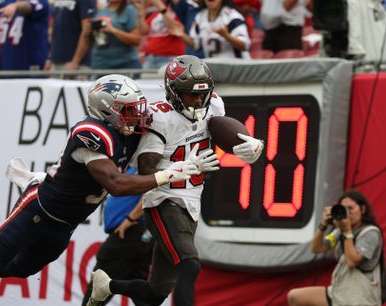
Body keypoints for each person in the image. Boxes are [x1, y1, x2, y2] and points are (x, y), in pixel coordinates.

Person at [0, 74, 212, 306]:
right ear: (107, 111)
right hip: (37, 210)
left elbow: (161, 143)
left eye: (137, 107)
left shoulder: (129, 131)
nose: (138, 115)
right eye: (129, 110)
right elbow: (116, 184)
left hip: (65, 224)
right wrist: (167, 175)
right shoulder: (91, 133)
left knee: (22, 270)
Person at [87, 55, 264, 306]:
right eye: (189, 94)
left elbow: (220, 136)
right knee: (189, 263)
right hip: (164, 200)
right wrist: (181, 167)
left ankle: (107, 286)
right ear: (172, 91)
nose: (197, 100)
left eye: (201, 94)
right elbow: (146, 170)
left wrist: (248, 147)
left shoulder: (213, 105)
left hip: (192, 201)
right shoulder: (160, 117)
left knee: (155, 294)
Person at [287, 190, 384, 306]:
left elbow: (352, 262)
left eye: (351, 208)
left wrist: (347, 232)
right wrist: (323, 225)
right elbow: (317, 248)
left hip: (360, 297)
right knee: (294, 297)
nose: (347, 213)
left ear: (362, 209)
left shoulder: (370, 233)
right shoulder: (339, 231)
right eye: (344, 209)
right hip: (340, 292)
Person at [81, 167, 153, 306]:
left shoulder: (144, 164)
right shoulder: (128, 167)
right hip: (135, 235)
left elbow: (151, 194)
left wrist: (130, 220)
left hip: (130, 232)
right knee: (141, 291)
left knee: (98, 286)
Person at [0, 0, 50, 76]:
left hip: (31, 69)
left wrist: (16, 7)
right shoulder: (2, 3)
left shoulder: (40, 2)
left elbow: (29, 7)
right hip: (7, 69)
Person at [172, 0, 251, 59]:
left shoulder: (233, 16)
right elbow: (196, 44)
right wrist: (181, 35)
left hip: (235, 68)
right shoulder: (200, 16)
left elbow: (245, 45)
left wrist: (226, 36)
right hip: (214, 69)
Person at [89, 0, 142, 73]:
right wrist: (88, 32)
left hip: (124, 65)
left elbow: (136, 40)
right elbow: (90, 40)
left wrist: (113, 30)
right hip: (99, 65)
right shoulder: (100, 11)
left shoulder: (129, 9)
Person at [134, 0, 186, 70]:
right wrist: (140, 13)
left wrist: (161, 7)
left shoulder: (178, 11)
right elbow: (143, 31)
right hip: (151, 58)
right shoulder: (156, 13)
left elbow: (175, 28)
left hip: (170, 58)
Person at [46, 0, 96, 73]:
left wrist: (75, 62)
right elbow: (55, 30)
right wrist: (50, 58)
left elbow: (88, 31)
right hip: (56, 62)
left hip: (76, 65)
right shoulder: (58, 2)